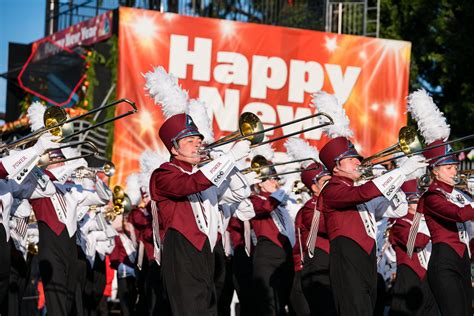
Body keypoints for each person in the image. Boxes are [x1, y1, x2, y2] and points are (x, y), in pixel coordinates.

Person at [149, 113, 253, 315]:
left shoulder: (206, 174)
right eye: (190, 141)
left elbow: (241, 192)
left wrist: (227, 164)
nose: (198, 145)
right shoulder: (164, 173)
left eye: (199, 140)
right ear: (174, 148)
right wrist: (229, 158)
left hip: (209, 252)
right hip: (182, 250)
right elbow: (190, 184)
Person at [318, 136, 426, 315]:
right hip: (347, 256)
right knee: (355, 309)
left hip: (366, 258)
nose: (357, 161)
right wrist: (400, 172)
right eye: (350, 158)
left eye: (357, 158)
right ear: (336, 166)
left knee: (368, 309)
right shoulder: (331, 189)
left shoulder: (356, 189)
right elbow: (363, 193)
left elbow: (398, 211)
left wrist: (400, 179)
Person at [416, 140, 474, 316]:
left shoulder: (460, 195)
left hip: (463, 260)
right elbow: (459, 215)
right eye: (448, 167)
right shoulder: (432, 196)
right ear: (435, 171)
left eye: (455, 166)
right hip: (444, 262)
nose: (455, 170)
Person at [249, 163, 299, 316]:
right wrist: (285, 189)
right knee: (270, 306)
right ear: (260, 182)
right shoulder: (254, 199)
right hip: (268, 256)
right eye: (270, 179)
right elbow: (265, 208)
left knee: (286, 304)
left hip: (287, 257)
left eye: (276, 179)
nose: (275, 182)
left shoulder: (283, 204)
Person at [389, 179, 438, 315]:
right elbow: (415, 242)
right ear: (408, 203)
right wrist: (430, 225)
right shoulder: (401, 223)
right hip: (410, 272)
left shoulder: (427, 219)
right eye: (417, 201)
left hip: (430, 274)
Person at [294, 162, 335, 316]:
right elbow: (328, 227)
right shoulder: (310, 208)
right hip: (316, 268)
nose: (332, 184)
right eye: (326, 182)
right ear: (314, 187)